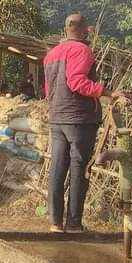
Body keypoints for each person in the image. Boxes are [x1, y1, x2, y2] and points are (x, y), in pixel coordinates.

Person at [44, 13, 116, 234]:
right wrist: (107, 93)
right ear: (84, 29)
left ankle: (55, 222)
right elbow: (77, 82)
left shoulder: (51, 54)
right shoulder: (82, 50)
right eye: (88, 30)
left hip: (57, 117)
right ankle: (74, 223)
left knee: (57, 169)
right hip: (80, 120)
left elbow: (49, 90)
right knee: (79, 170)